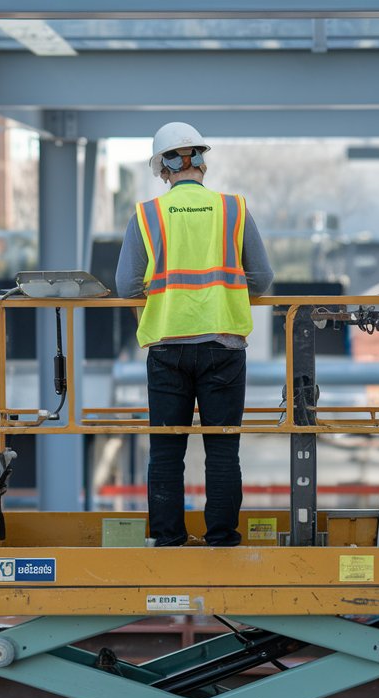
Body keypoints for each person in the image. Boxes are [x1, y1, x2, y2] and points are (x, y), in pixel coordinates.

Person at [116, 122, 274, 547]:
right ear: (201, 162)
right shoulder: (234, 209)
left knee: (167, 452)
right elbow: (262, 279)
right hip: (224, 346)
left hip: (167, 348)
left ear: (163, 169)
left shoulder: (146, 216)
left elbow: (126, 286)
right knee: (222, 451)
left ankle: (169, 539)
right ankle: (222, 538)